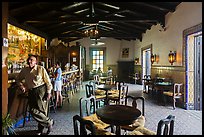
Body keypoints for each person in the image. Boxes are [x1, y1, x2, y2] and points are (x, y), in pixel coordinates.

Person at [16, 54, 54, 135]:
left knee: (42, 110)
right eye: (29, 60)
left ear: (35, 61)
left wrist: (49, 92)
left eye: (32, 60)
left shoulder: (41, 69)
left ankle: (40, 130)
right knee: (32, 110)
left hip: (41, 90)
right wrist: (21, 86)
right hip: (31, 91)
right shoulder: (24, 70)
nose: (30, 61)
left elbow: (48, 82)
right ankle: (49, 123)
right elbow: (18, 79)